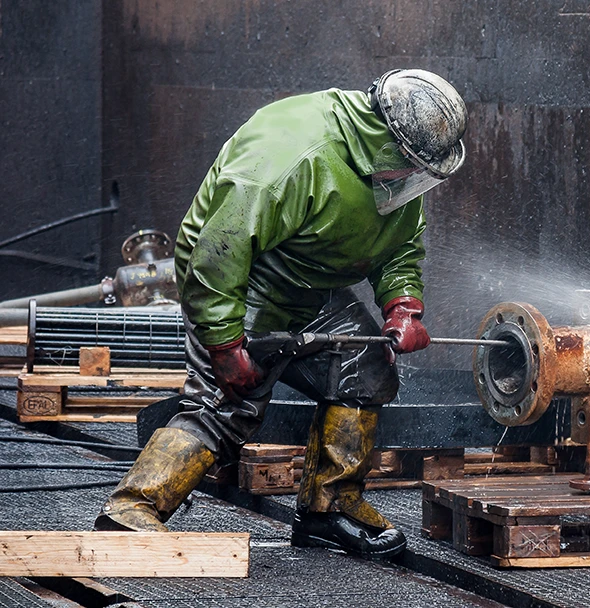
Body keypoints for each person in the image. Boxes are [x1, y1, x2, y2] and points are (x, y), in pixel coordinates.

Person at [93, 69, 468, 559]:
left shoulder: (393, 173)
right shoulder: (292, 156)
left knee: (364, 369)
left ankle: (328, 509)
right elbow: (216, 256)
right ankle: (130, 511)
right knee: (227, 406)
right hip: (238, 283)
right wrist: (225, 346)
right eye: (414, 167)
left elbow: (401, 244)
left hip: (311, 287)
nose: (416, 181)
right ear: (388, 144)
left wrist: (403, 306)